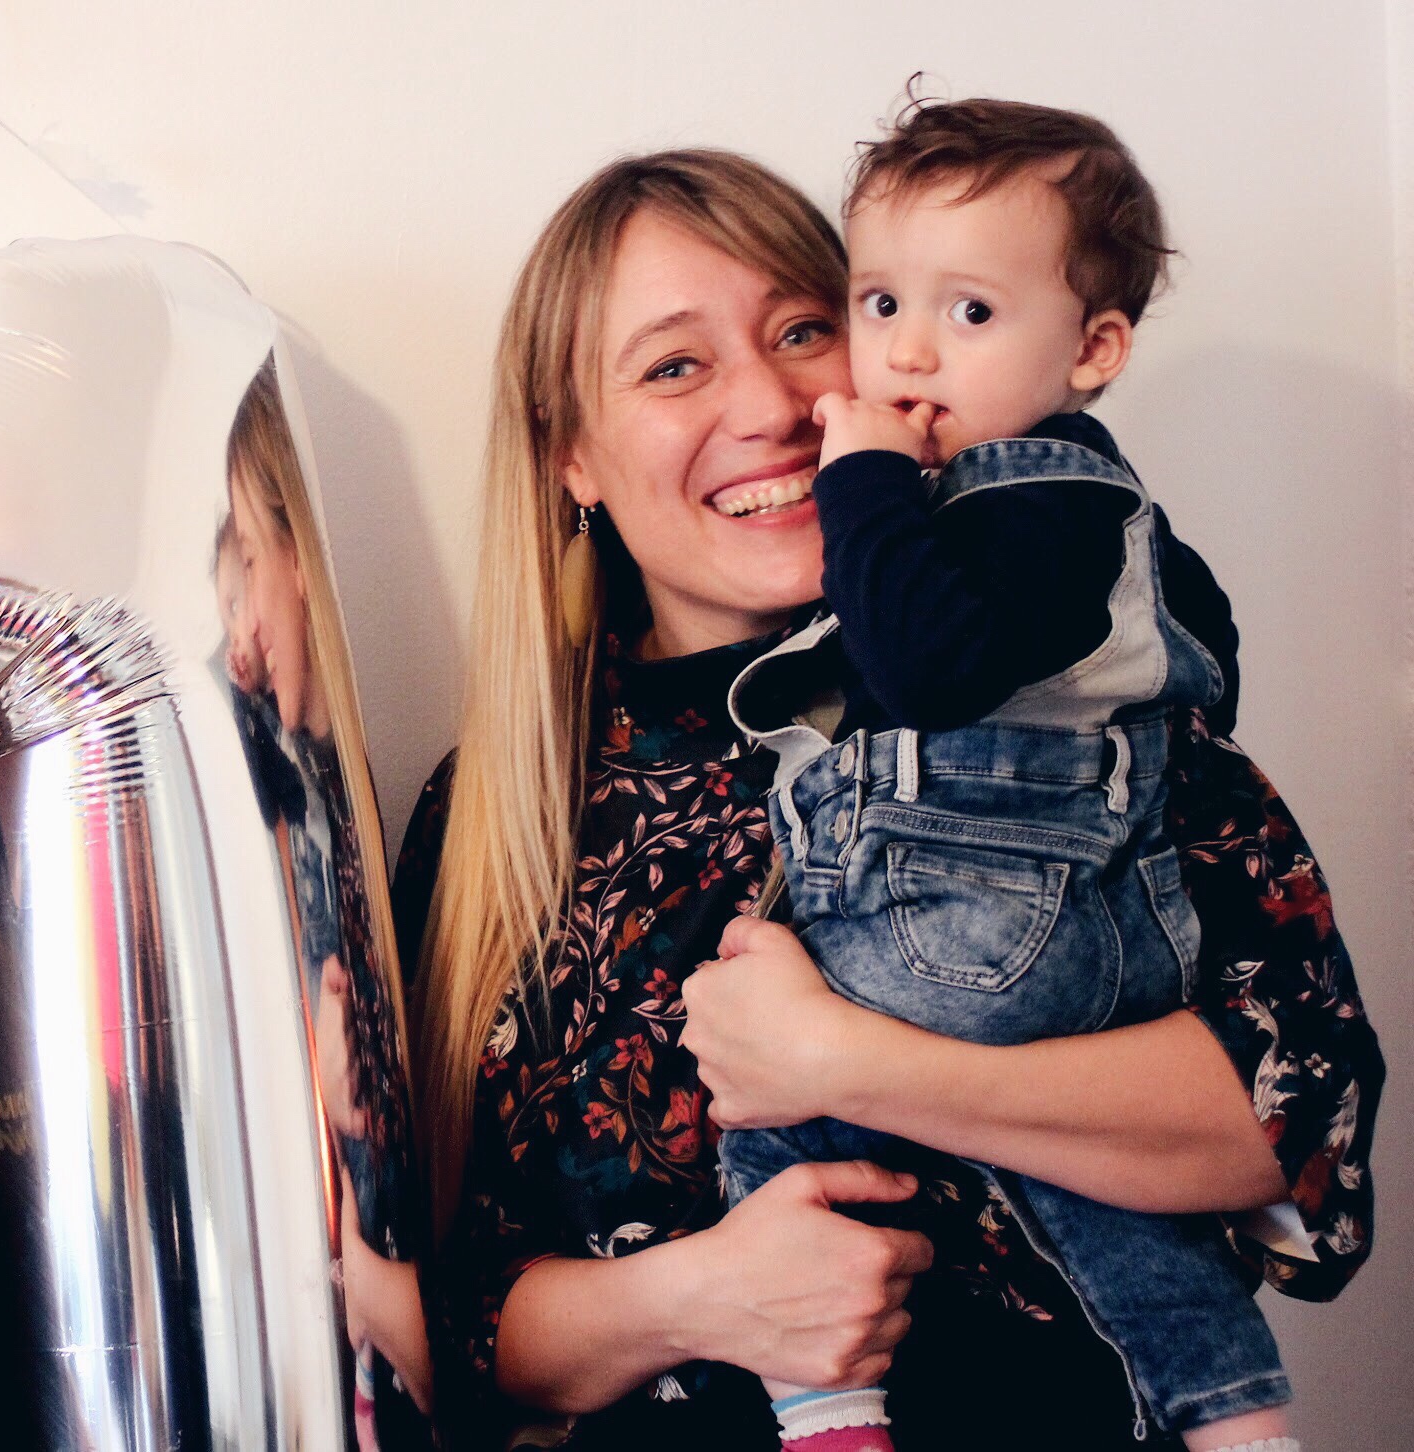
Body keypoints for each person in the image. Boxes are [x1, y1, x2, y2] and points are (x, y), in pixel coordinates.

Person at [393, 150, 1382, 1450]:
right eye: (674, 366)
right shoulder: (496, 815)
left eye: (805, 331)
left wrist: (855, 1066)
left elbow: (1300, 1131)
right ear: (571, 455)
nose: (773, 404)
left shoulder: (1078, 692)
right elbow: (436, 1325)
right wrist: (697, 1300)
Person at [716, 98, 1290, 1452]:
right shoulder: (1099, 517)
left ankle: (827, 1412)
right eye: (879, 303)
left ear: (1094, 349)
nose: (908, 351)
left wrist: (864, 479)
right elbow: (1201, 644)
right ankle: (1242, 1420)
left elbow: (920, 666)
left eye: (970, 311)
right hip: (1082, 951)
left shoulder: (1020, 493)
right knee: (1113, 1214)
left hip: (980, 935)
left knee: (776, 1134)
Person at [219, 363, 433, 1445]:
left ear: (298, 560)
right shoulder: (273, 776)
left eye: (248, 570)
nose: (239, 634)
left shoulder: (328, 796)